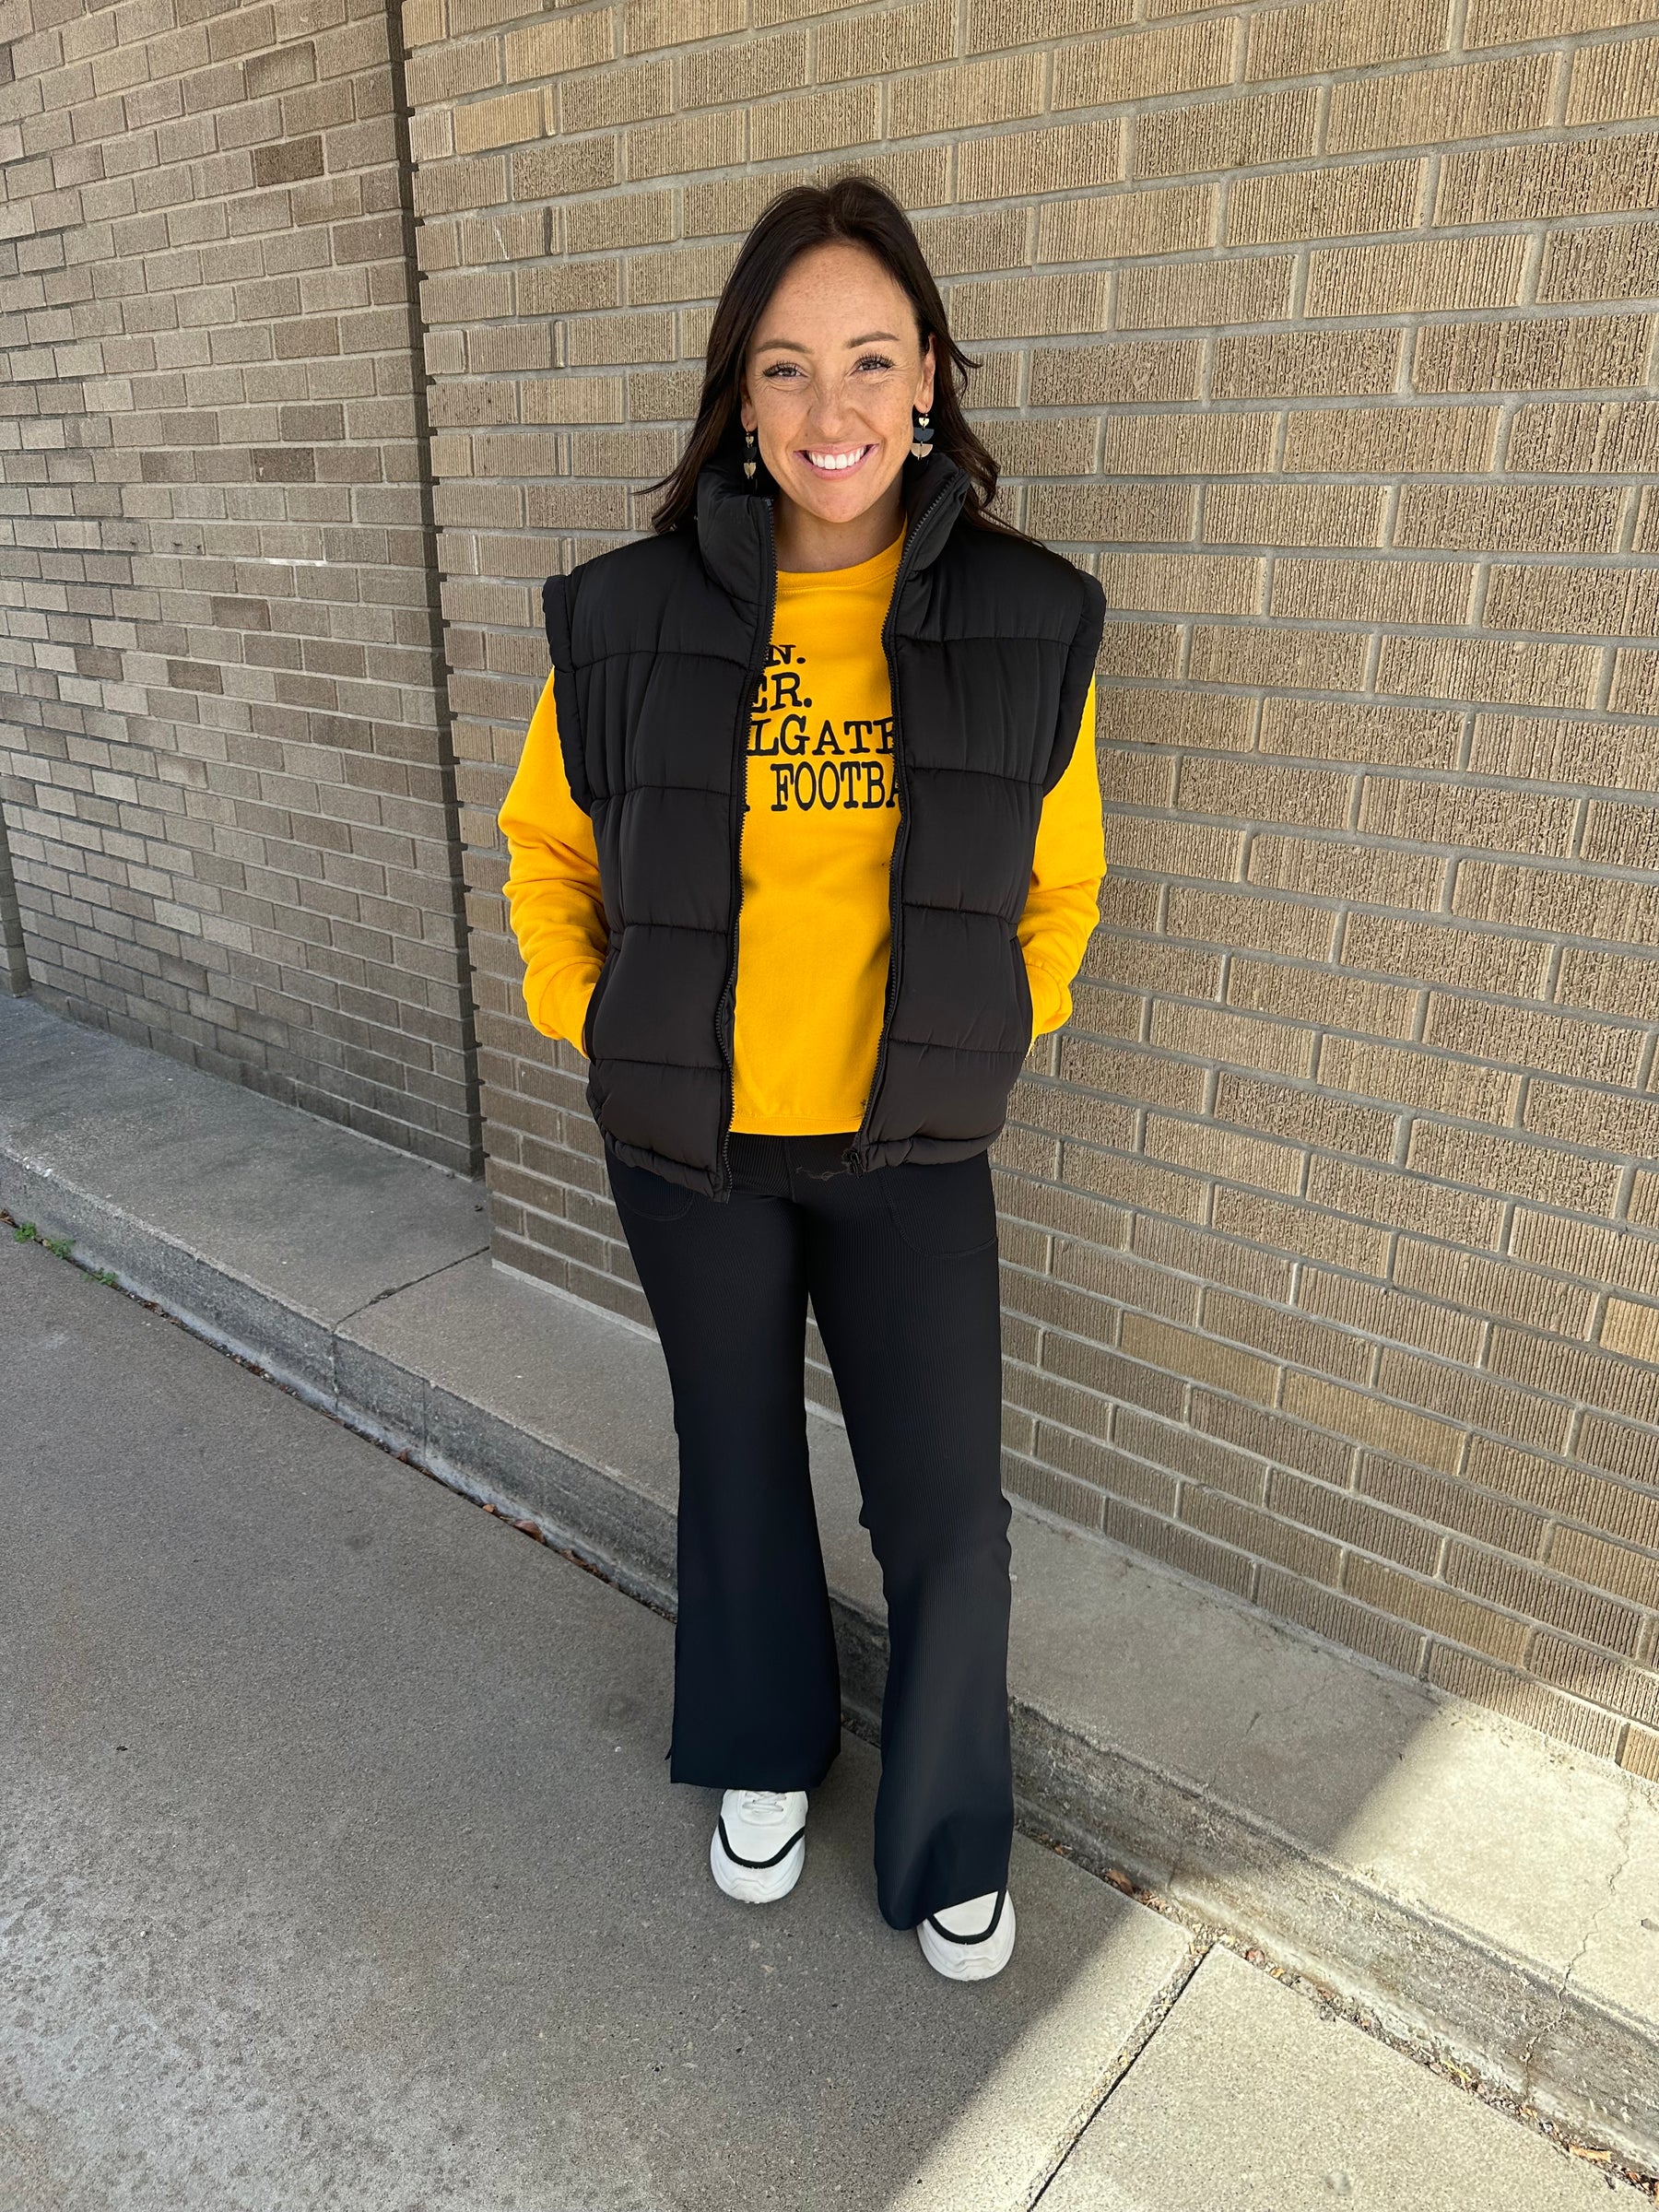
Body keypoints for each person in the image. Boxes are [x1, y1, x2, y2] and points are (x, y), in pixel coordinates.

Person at [499, 175, 1106, 1983]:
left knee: (943, 1509)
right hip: (697, 1141)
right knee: (737, 1461)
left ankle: (945, 1831)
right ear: (741, 404)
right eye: (786, 369)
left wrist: (998, 1031)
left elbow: (1063, 877)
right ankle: (762, 1747)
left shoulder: (1025, 615)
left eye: (867, 359)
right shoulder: (625, 619)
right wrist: (586, 1017)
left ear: (929, 380)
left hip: (908, 1147)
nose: (830, 411)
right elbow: (549, 847)